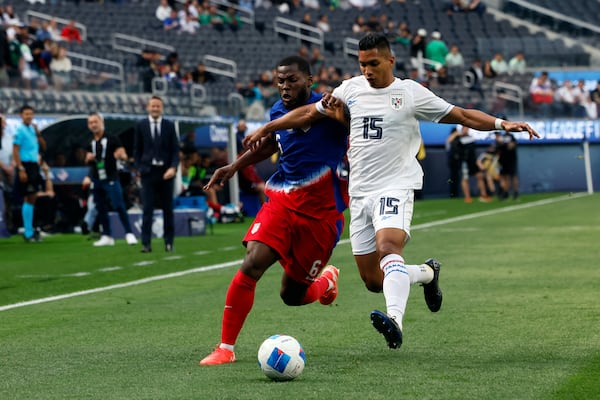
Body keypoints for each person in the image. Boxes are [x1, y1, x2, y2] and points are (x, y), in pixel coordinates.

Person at [244, 33, 539, 350]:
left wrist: (501, 123)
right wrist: (268, 127)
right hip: (360, 194)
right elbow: (306, 113)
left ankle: (395, 321)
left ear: (389, 61)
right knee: (373, 280)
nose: (367, 71)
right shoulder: (350, 90)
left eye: (373, 63)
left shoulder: (410, 93)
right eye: (362, 64)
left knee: (388, 248)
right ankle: (426, 273)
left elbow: (462, 114)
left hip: (396, 185)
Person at [199, 55, 349, 366]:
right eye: (279, 80)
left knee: (291, 295)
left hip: (321, 216)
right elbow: (272, 144)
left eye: (291, 79)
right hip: (281, 201)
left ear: (309, 80)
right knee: (252, 262)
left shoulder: (332, 107)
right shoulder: (278, 110)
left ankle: (325, 283)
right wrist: (234, 166)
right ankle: (225, 348)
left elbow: (309, 116)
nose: (284, 86)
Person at [133, 96, 180, 253]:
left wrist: (173, 168)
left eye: (158, 106)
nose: (155, 108)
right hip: (148, 172)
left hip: (166, 172)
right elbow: (137, 150)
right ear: (148, 107)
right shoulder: (141, 125)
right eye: (152, 106)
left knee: (168, 208)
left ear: (162, 108)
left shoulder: (169, 125)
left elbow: (175, 150)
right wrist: (139, 168)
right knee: (147, 208)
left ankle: (169, 242)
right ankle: (146, 244)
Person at [84, 112, 138, 247]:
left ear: (102, 123)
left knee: (119, 205)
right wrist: (87, 161)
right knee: (100, 207)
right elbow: (89, 162)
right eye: (91, 123)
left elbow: (124, 155)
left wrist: (121, 156)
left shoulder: (113, 139)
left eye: (95, 122)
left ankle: (129, 233)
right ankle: (107, 235)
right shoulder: (90, 142)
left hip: (111, 177)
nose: (93, 125)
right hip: (97, 179)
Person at [12, 105, 46, 242]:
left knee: (32, 197)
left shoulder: (32, 129)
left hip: (33, 165)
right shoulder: (19, 130)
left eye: (31, 114)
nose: (29, 116)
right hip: (25, 165)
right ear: (21, 115)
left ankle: (30, 229)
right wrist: (20, 168)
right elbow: (15, 150)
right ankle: (27, 232)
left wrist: (38, 133)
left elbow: (43, 146)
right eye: (26, 114)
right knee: (29, 196)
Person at [494, 130, 519, 200]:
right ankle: (506, 192)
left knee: (513, 176)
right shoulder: (499, 136)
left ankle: (516, 192)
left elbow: (511, 146)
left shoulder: (511, 136)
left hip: (511, 159)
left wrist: (504, 142)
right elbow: (497, 146)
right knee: (505, 176)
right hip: (502, 160)